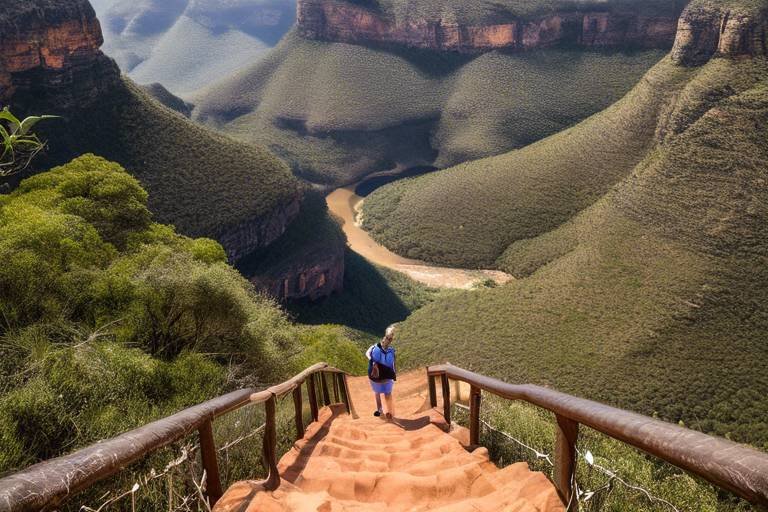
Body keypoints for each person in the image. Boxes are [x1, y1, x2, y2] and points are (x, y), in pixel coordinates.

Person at [366, 325, 397, 420]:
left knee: (377, 393)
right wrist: (394, 375)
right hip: (387, 378)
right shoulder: (391, 351)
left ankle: (380, 411)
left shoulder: (374, 347)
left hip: (375, 378)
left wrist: (373, 360)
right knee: (388, 393)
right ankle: (390, 412)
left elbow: (367, 354)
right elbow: (393, 364)